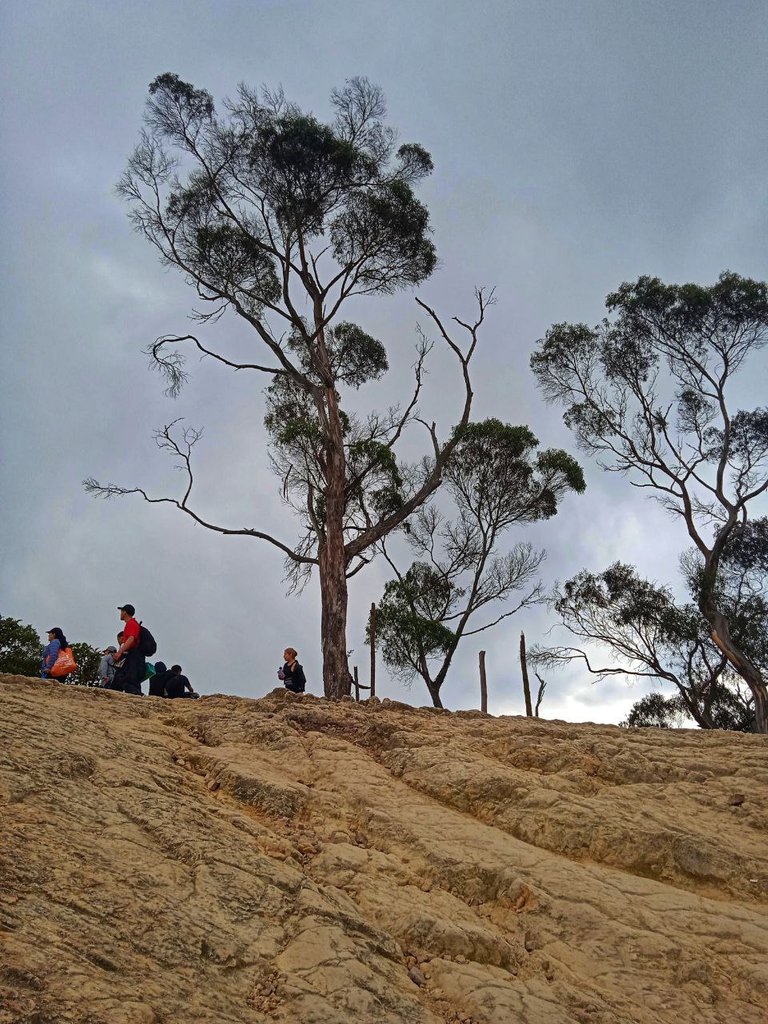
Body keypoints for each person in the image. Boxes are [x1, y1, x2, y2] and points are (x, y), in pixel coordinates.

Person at [112, 604, 145, 696]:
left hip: (132, 655)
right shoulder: (132, 623)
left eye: (121, 611)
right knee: (123, 678)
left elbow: (131, 638)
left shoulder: (131, 623)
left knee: (129, 680)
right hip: (134, 656)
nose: (120, 614)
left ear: (125, 612)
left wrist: (120, 652)